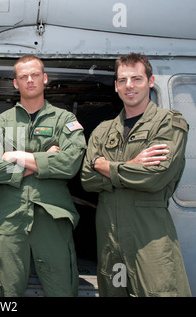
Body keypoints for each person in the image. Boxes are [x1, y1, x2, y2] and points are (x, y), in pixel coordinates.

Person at [81, 53, 192, 296]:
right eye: (123, 80)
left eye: (136, 79)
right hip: (110, 238)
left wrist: (105, 166)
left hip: (149, 237)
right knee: (114, 292)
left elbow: (154, 177)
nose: (129, 86)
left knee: (159, 291)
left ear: (151, 81)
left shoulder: (168, 123)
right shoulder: (103, 130)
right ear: (116, 86)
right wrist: (132, 165)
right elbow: (87, 180)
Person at [0, 55, 86, 296]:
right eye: (23, 76)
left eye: (35, 75)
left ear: (45, 79)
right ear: (15, 83)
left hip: (53, 218)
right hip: (10, 220)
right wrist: (43, 159)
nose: (30, 80)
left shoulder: (65, 120)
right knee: (10, 293)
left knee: (61, 289)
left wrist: (15, 156)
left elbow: (69, 163)